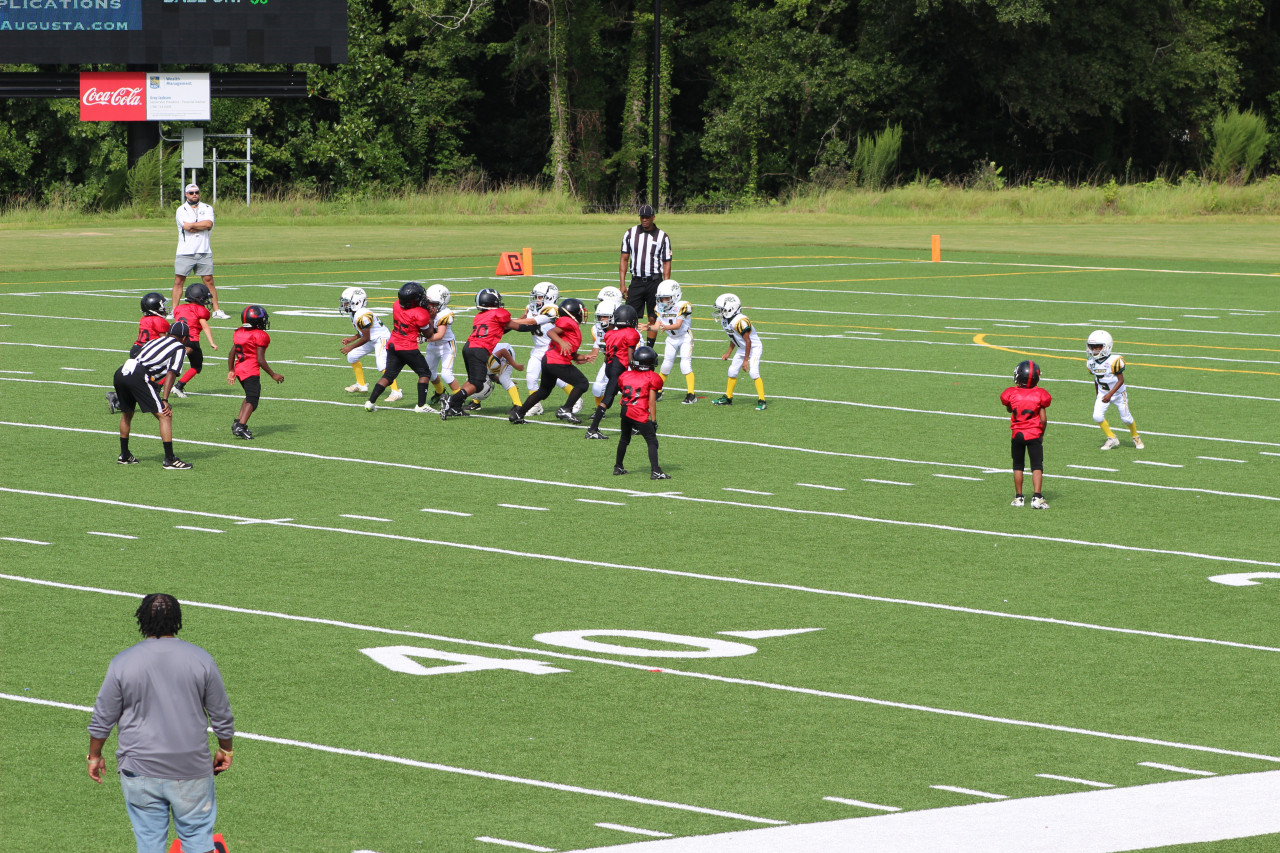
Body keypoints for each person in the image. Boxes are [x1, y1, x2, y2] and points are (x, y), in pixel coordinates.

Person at [87, 593, 235, 853]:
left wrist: (94, 755)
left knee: (149, 842)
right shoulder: (201, 659)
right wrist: (225, 748)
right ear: (177, 620)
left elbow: (102, 718)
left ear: (142, 620)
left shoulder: (122, 662)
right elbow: (221, 714)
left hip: (139, 768)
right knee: (198, 839)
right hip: (191, 768)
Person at [109, 321, 194, 469]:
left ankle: (124, 455)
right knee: (165, 415)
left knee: (126, 414)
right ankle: (169, 459)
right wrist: (165, 399)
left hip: (122, 371)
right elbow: (171, 373)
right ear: (184, 338)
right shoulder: (179, 347)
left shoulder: (156, 340)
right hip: (138, 375)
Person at [443, 288, 537, 419]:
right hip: (479, 350)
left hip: (468, 347)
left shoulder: (480, 316)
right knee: (477, 384)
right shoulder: (498, 313)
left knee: (472, 381)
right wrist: (537, 324)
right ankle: (451, 401)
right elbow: (518, 327)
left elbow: (499, 330)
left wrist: (522, 318)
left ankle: (455, 408)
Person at [508, 298, 594, 425]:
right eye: (580, 312)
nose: (582, 315)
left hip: (548, 360)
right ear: (573, 312)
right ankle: (566, 409)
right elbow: (551, 332)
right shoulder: (568, 321)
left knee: (544, 391)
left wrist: (583, 357)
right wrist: (561, 342)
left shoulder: (571, 326)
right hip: (557, 362)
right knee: (583, 383)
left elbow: (571, 352)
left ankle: (518, 414)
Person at [365, 281, 436, 413]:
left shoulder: (397, 305)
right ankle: (421, 405)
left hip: (392, 344)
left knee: (389, 375)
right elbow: (429, 333)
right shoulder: (420, 313)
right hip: (407, 347)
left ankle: (370, 402)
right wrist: (431, 317)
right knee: (425, 373)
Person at [618, 204, 672, 350]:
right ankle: (630, 347)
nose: (644, 220)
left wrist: (666, 285)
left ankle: (649, 349)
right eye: (642, 217)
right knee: (628, 315)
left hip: (654, 281)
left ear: (653, 217)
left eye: (647, 217)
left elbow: (666, 262)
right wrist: (622, 284)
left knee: (653, 316)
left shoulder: (662, 237)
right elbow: (624, 258)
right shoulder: (630, 234)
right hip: (636, 280)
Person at [227, 305, 285, 439]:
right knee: (253, 399)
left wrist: (231, 370)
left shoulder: (239, 332)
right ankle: (241, 426)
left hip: (239, 368)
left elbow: (231, 353)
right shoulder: (260, 335)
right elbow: (260, 359)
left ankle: (238, 423)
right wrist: (273, 374)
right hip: (250, 370)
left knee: (249, 396)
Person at [1000, 360, 1052, 509]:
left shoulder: (1011, 393)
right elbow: (1043, 419)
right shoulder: (1040, 395)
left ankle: (1019, 497)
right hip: (1034, 433)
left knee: (1018, 465)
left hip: (1017, 435)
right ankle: (1037, 497)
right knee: (1036, 465)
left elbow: (1009, 409)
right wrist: (1042, 433)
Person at [172, 184, 229, 320]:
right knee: (179, 280)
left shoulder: (207, 208)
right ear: (186, 194)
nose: (194, 194)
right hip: (185, 251)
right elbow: (186, 227)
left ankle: (216, 310)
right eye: (191, 193)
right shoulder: (181, 209)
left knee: (209, 280)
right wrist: (198, 226)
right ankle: (174, 310)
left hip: (204, 250)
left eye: (196, 192)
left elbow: (208, 224)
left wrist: (193, 225)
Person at [585, 303, 640, 439]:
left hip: (609, 367)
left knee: (629, 395)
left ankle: (633, 426)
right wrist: (634, 371)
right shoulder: (632, 333)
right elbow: (630, 357)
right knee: (608, 399)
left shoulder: (610, 333)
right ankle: (592, 429)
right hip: (618, 369)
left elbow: (607, 354)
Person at [613, 346, 669, 479]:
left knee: (624, 439)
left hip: (625, 410)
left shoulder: (625, 375)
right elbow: (651, 401)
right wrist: (653, 420)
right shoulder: (652, 377)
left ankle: (618, 467)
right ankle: (656, 471)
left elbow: (623, 389)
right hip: (638, 412)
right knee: (652, 440)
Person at [338, 286, 402, 402]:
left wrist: (350, 347)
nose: (345, 305)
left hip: (381, 338)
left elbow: (366, 337)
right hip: (372, 339)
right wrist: (352, 339)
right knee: (352, 356)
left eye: (347, 303)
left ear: (356, 302)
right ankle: (361, 384)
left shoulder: (363, 314)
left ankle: (396, 391)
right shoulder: (355, 313)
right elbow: (362, 332)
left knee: (382, 364)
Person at [521, 281, 576, 416]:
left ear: (549, 297)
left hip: (550, 348)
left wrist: (509, 321)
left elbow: (531, 322)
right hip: (537, 348)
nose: (536, 300)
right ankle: (535, 405)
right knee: (531, 377)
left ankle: (576, 399)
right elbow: (525, 323)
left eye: (539, 297)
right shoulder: (531, 307)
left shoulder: (552, 309)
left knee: (556, 378)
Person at [1086, 329, 1144, 450]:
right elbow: (1097, 379)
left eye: (1098, 347)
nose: (1094, 350)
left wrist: (1110, 394)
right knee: (1097, 416)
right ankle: (1112, 438)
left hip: (1118, 394)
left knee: (1126, 418)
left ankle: (1136, 437)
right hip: (1103, 393)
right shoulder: (1091, 362)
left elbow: (1121, 380)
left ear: (1106, 347)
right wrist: (1098, 394)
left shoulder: (1114, 361)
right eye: (1092, 347)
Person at [711, 293, 766, 410]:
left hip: (753, 348)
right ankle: (728, 398)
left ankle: (762, 400)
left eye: (722, 309)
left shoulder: (740, 321)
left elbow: (748, 341)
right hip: (742, 347)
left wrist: (746, 360)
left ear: (731, 308)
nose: (720, 312)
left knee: (754, 373)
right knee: (732, 371)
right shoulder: (726, 321)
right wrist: (728, 353)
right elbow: (734, 337)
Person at [653, 279, 697, 404]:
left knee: (685, 364)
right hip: (671, 339)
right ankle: (659, 391)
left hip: (684, 337)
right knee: (666, 365)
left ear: (675, 296)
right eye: (661, 298)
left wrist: (666, 327)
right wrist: (648, 327)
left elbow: (678, 325)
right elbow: (656, 326)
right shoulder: (659, 308)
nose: (663, 301)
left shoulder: (683, 306)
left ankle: (691, 394)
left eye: (666, 298)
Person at [171, 283, 218, 398]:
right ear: (199, 297)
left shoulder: (179, 308)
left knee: (172, 365)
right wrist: (211, 342)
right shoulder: (200, 310)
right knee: (196, 366)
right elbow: (205, 326)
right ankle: (179, 386)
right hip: (191, 340)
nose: (206, 301)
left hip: (176, 339)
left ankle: (158, 386)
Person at [421, 284, 463, 407]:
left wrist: (424, 338)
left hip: (446, 346)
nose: (430, 306)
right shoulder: (426, 310)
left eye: (434, 303)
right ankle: (440, 392)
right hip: (433, 345)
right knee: (428, 372)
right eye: (429, 303)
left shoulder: (445, 314)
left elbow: (439, 335)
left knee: (446, 374)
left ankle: (460, 399)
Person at [467, 340, 526, 411]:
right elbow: (491, 376)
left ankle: (518, 406)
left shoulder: (490, 362)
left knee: (504, 379)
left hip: (506, 353)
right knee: (481, 377)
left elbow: (503, 351)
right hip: (494, 357)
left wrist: (515, 365)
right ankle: (476, 403)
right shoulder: (477, 363)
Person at [130, 292, 171, 357]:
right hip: (148, 350)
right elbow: (164, 339)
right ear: (155, 308)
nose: (164, 309)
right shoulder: (158, 320)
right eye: (162, 307)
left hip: (136, 348)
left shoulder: (144, 319)